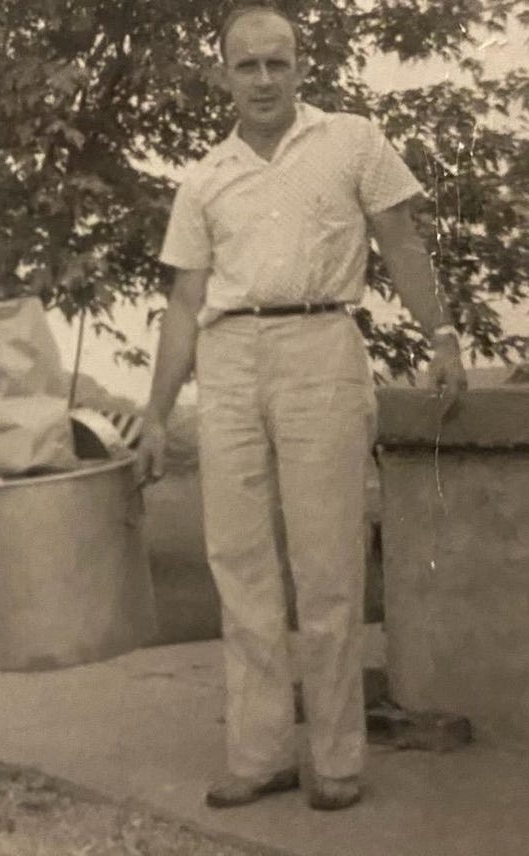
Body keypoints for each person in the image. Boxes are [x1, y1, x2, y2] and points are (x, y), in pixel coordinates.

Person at [137, 3, 466, 812]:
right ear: (223, 76)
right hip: (228, 357)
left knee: (327, 563)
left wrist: (445, 334)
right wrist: (155, 409)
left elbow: (401, 240)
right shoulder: (206, 175)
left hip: (320, 345)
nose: (263, 79)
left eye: (276, 63)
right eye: (245, 66)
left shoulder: (351, 140)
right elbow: (185, 299)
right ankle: (258, 754)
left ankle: (337, 758)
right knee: (239, 561)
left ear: (300, 68)